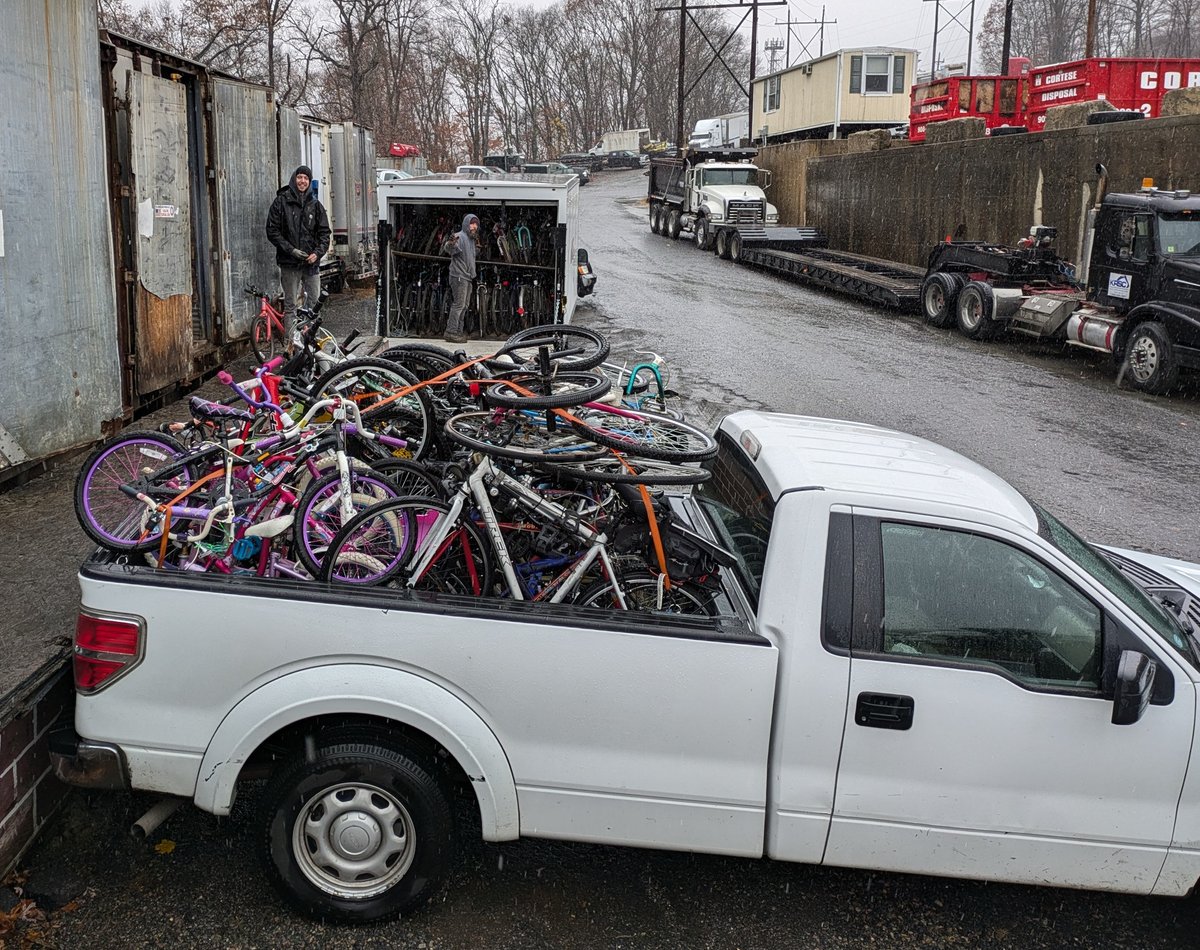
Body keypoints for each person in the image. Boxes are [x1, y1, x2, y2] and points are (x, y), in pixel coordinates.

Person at [265, 165, 331, 352]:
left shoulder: (316, 205)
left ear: (310, 182)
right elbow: (272, 231)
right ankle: (291, 347)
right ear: (294, 179)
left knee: (314, 305)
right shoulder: (281, 202)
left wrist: (317, 253)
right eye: (299, 177)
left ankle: (312, 344)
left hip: (311, 265)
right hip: (289, 264)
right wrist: (291, 250)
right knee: (291, 305)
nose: (302, 181)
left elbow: (325, 234)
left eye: (306, 178)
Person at [441, 213, 479, 344]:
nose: (474, 226)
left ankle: (458, 331)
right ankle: (451, 332)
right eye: (472, 223)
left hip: (467, 277)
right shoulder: (460, 236)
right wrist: (451, 243)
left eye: (476, 224)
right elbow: (449, 248)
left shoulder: (472, 239)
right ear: (466, 224)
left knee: (464, 305)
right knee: (459, 304)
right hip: (459, 276)